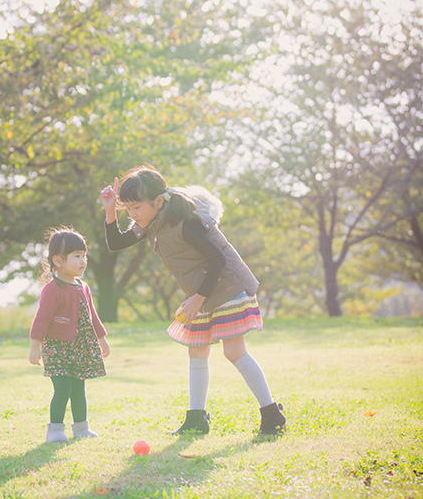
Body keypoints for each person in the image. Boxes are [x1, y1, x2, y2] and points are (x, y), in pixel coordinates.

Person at [100, 165, 286, 436]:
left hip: (226, 285)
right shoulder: (152, 222)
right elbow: (116, 243)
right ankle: (196, 418)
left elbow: (218, 260)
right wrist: (108, 211)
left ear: (159, 201)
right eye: (127, 208)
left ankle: (271, 414)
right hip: (203, 290)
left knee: (234, 352)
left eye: (136, 207)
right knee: (197, 350)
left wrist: (198, 299)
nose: (132, 214)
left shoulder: (184, 222)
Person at [29, 227, 110, 443]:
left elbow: (92, 315)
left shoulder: (83, 287)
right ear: (57, 261)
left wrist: (102, 339)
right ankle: (55, 430)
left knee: (78, 388)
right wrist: (35, 346)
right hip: (57, 347)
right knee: (62, 388)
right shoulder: (52, 289)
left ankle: (82, 428)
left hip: (80, 347)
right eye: (76, 256)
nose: (83, 261)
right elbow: (42, 319)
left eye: (84, 256)